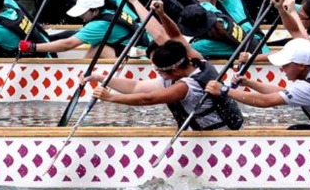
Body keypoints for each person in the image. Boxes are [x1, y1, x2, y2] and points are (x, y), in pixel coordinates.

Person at [85, 39, 243, 131]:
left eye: (160, 72)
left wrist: (111, 98)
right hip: (207, 131)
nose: (158, 75)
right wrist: (100, 78)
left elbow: (147, 99)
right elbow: (135, 87)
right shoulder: (197, 62)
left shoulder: (185, 86)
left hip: (220, 136)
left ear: (173, 70)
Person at [213, 37, 310, 129]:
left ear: (302, 66)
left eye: (286, 65)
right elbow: (283, 93)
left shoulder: (308, 89)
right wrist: (249, 83)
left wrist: (224, 90)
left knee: (294, 131)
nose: (282, 68)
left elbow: (265, 101)